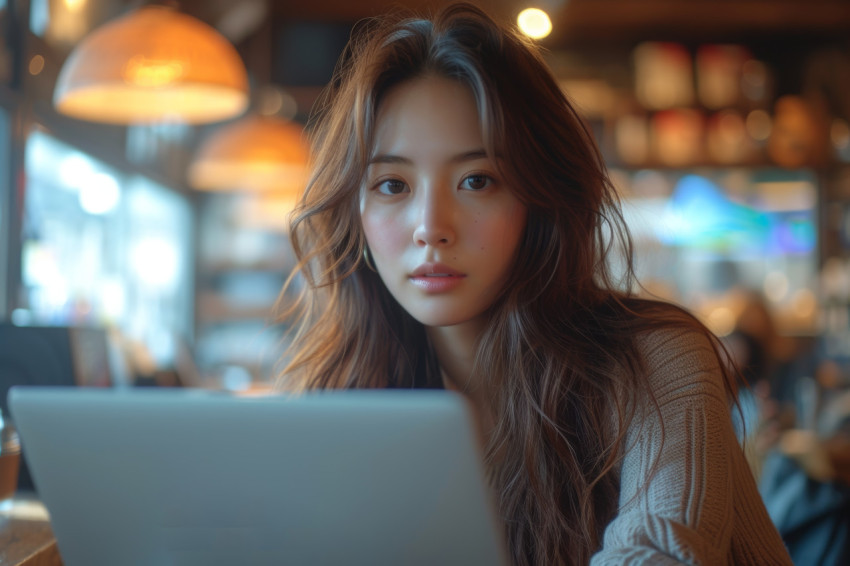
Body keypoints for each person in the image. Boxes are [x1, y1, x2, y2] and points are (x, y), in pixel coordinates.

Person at [275, 3, 793, 565]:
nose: (430, 227)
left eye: (477, 180)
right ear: (352, 210)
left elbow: (660, 553)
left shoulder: (654, 358)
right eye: (392, 185)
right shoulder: (346, 392)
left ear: (538, 199)